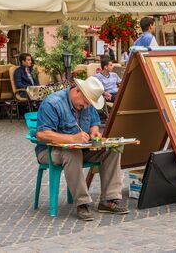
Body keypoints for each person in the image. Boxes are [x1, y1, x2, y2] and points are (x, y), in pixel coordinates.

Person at [35, 77, 129, 221]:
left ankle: (108, 200)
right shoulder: (53, 103)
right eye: (85, 102)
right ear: (78, 91)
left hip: (81, 149)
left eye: (89, 104)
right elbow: (42, 134)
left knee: (112, 150)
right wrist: (72, 139)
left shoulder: (87, 104)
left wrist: (94, 132)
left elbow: (94, 123)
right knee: (71, 153)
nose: (86, 106)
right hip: (49, 152)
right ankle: (82, 202)